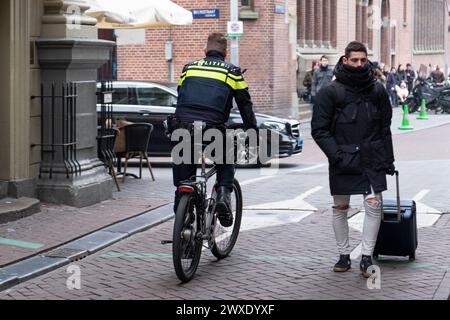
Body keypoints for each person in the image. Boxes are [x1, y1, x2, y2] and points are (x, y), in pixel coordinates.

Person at [311, 41, 395, 278]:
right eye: (355, 60)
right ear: (345, 60)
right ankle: (343, 255)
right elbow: (320, 130)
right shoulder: (330, 91)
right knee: (340, 207)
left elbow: (385, 126)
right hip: (343, 159)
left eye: (363, 60)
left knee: (374, 205)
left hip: (372, 158)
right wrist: (337, 156)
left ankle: (366, 257)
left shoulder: (377, 89)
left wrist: (388, 158)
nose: (359, 64)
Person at [171, 33, 257, 227]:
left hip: (182, 127)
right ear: (225, 53)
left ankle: (183, 224)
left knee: (183, 182)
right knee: (226, 155)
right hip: (212, 128)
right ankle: (224, 195)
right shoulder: (232, 72)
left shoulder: (188, 68)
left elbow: (181, 95)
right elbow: (245, 105)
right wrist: (252, 130)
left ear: (205, 51)